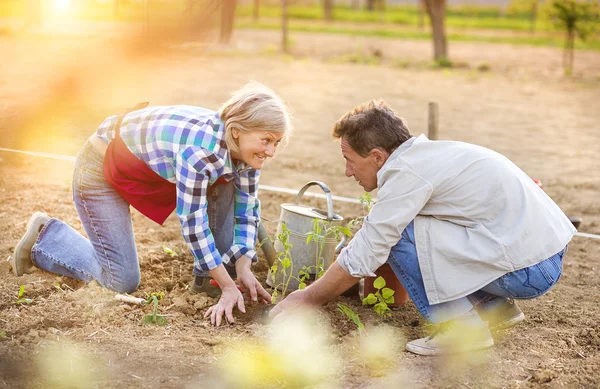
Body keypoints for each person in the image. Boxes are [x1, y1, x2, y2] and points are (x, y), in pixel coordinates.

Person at [270, 99, 575, 356]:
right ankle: (493, 308)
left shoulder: (406, 171)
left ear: (377, 157)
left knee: (397, 236)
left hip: (529, 270)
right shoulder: (427, 158)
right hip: (541, 257)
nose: (347, 172)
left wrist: (308, 297)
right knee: (408, 227)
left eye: (349, 160)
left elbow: (371, 247)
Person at [11, 81, 292, 327]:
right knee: (122, 280)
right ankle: (46, 237)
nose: (271, 151)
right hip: (101, 171)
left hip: (145, 170)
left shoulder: (248, 153)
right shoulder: (201, 152)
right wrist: (231, 286)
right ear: (236, 131)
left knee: (227, 181)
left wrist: (243, 264)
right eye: (266, 140)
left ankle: (210, 278)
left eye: (277, 142)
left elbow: (247, 210)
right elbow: (192, 225)